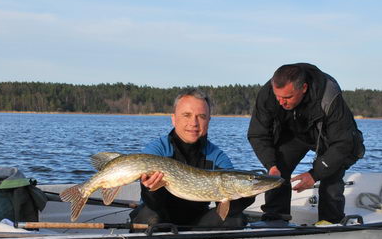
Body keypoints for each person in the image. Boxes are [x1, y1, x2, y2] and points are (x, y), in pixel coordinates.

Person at [247, 63, 364, 225]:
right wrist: (271, 164)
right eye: (278, 97)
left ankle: (330, 221)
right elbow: (257, 134)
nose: (281, 102)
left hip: (328, 138)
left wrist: (314, 174)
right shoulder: (268, 94)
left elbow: (342, 143)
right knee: (277, 169)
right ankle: (275, 219)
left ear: (303, 88)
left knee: (331, 172)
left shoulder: (329, 95)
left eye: (287, 98)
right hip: (293, 134)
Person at [129, 89, 255, 228]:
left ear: (208, 120)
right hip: (159, 215)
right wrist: (150, 190)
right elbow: (153, 204)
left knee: (236, 219)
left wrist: (248, 194)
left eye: (201, 116)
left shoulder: (217, 157)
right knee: (149, 217)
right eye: (186, 115)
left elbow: (228, 208)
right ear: (174, 119)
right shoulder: (157, 151)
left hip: (197, 221)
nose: (194, 123)